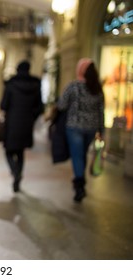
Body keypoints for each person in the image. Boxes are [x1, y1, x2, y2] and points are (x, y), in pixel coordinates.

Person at [57, 58, 105, 202]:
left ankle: (79, 185)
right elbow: (101, 111)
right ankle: (80, 180)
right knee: (82, 154)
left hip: (75, 126)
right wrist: (102, 130)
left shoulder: (74, 86)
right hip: (91, 128)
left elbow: (62, 105)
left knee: (77, 155)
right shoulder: (97, 88)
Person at [0, 60, 43, 192]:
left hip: (12, 123)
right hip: (27, 123)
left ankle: (15, 172)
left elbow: (3, 105)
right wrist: (31, 117)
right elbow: (40, 107)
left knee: (8, 151)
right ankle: (18, 173)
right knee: (20, 152)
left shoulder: (11, 84)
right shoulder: (35, 85)